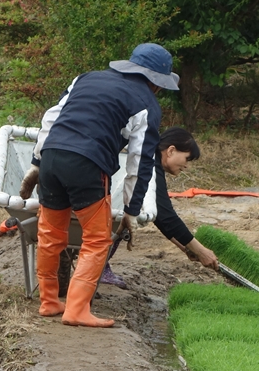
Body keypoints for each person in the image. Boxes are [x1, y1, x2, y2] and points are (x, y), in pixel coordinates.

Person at [17, 43, 175, 328]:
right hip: (88, 165)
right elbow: (139, 162)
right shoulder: (148, 105)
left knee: (50, 234)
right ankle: (77, 310)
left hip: (52, 156)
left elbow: (52, 118)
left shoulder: (86, 77)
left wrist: (37, 163)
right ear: (157, 83)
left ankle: (49, 301)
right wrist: (130, 209)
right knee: (96, 240)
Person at [100, 127, 218, 288]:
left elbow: (159, 217)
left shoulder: (150, 159)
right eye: (187, 159)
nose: (186, 166)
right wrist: (201, 251)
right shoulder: (149, 164)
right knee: (124, 223)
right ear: (171, 150)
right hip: (104, 211)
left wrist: (185, 248)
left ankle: (100, 267)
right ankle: (99, 267)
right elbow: (166, 216)